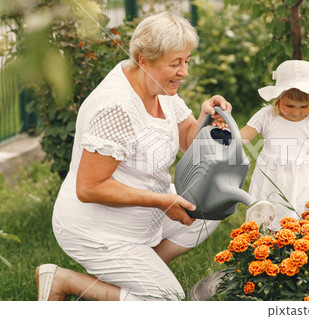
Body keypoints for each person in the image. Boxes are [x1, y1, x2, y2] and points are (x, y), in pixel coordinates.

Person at [35, 11, 232, 301]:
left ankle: (133, 274)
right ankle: (65, 281)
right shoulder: (117, 107)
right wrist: (164, 201)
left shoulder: (158, 86)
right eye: (175, 63)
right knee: (167, 299)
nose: (184, 72)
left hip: (140, 213)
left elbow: (188, 141)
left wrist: (205, 118)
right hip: (97, 227)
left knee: (210, 209)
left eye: (186, 61)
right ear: (144, 60)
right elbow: (90, 187)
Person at [240, 60, 309, 231]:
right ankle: (261, 252)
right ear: (278, 98)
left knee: (295, 225)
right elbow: (243, 137)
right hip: (269, 179)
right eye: (289, 105)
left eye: (303, 106)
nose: (296, 112)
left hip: (299, 184)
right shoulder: (267, 116)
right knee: (263, 222)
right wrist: (226, 135)